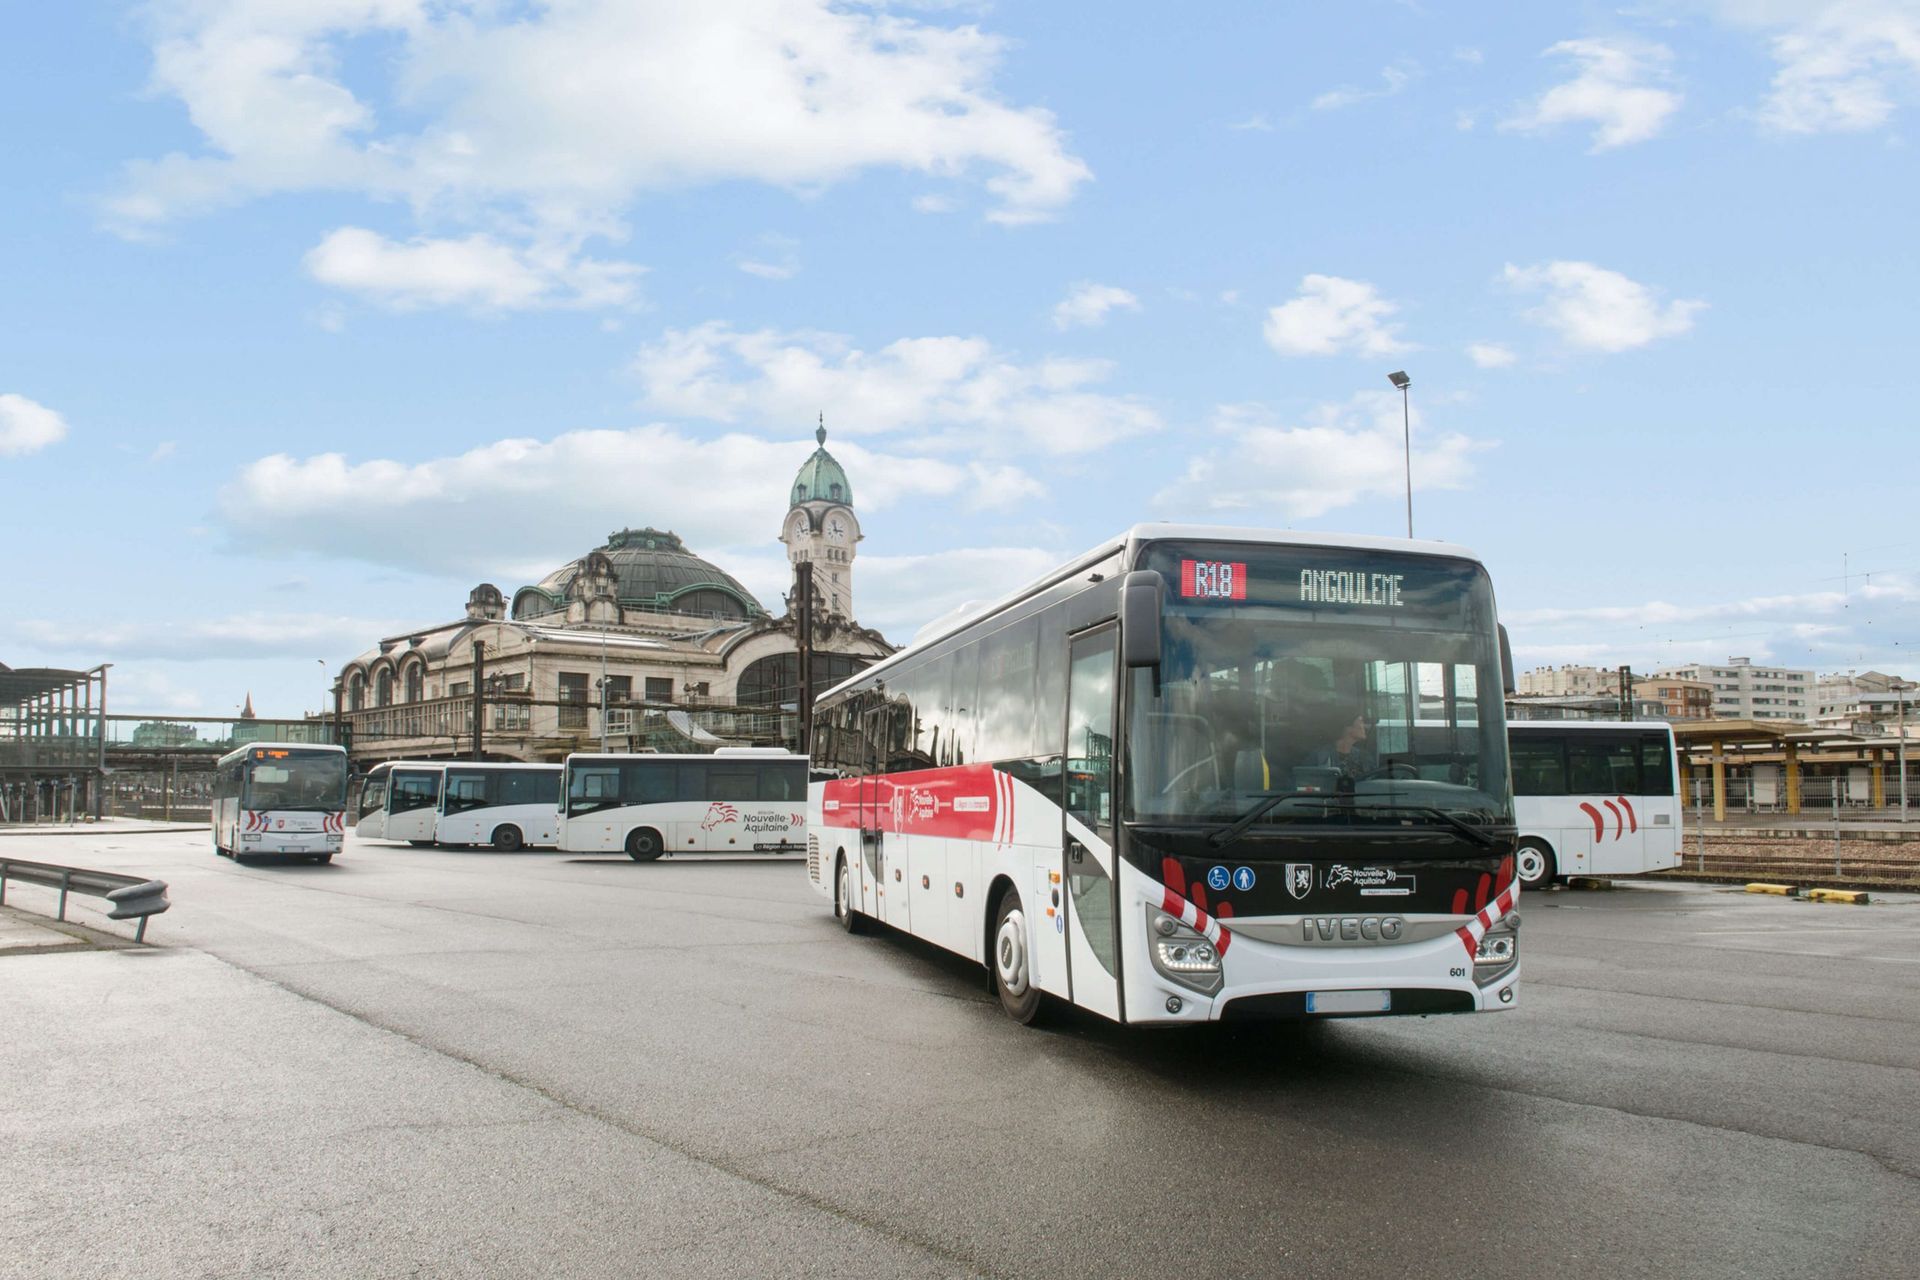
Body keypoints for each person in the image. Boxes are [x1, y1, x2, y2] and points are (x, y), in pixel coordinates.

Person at [1305, 711, 1376, 782]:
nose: (1365, 726)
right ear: (1348, 728)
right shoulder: (1319, 756)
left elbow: (1374, 784)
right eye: (1361, 722)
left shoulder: (1364, 757)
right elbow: (1305, 783)